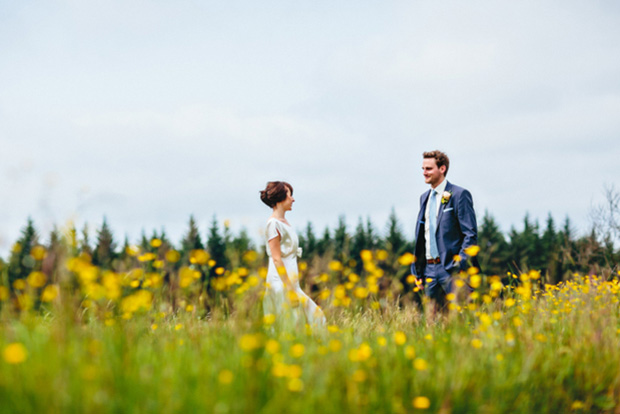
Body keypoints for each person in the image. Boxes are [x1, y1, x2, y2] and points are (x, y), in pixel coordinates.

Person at [411, 150, 479, 310]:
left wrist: (459, 262)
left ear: (442, 169)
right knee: (431, 322)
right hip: (429, 270)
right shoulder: (424, 198)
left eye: (428, 169)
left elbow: (470, 234)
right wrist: (418, 271)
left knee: (461, 317)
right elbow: (422, 236)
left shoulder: (459, 194)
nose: (424, 173)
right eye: (423, 169)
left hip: (452, 270)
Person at [260, 181, 326, 329]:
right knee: (289, 326)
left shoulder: (284, 222)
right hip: (281, 284)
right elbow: (276, 259)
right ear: (280, 197)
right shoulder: (273, 224)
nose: (293, 199)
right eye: (290, 195)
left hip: (291, 285)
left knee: (317, 318)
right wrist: (289, 289)